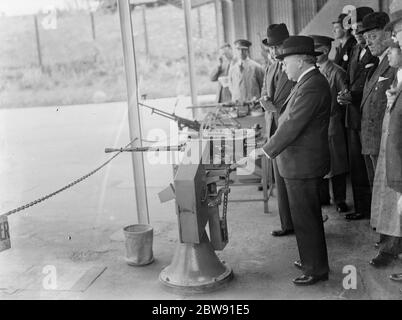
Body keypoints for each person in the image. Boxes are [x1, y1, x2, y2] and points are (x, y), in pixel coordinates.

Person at [248, 36, 331, 286]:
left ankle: (316, 268)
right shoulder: (304, 82)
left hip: (303, 163)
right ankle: (309, 259)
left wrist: (265, 150)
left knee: (306, 218)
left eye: (286, 62)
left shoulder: (312, 85)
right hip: (297, 161)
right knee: (302, 216)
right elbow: (285, 117)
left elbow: (293, 124)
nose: (283, 67)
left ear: (300, 60)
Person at [337, 6, 377, 221]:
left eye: (360, 31)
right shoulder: (354, 50)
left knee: (369, 165)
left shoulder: (376, 51)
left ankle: (373, 210)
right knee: (356, 166)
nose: (357, 35)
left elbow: (371, 84)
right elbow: (351, 79)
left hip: (367, 115)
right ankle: (362, 207)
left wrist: (351, 94)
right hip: (352, 114)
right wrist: (345, 93)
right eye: (353, 31)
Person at [260, 23, 295, 237]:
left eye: (277, 47)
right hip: (272, 129)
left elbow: (297, 102)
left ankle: (302, 222)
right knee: (280, 181)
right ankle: (287, 224)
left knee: (293, 181)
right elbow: (265, 91)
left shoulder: (294, 68)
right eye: (271, 48)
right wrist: (264, 100)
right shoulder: (270, 67)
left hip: (289, 130)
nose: (274, 52)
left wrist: (276, 109)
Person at [369, 38, 402, 268]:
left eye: (393, 49)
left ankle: (392, 247)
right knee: (391, 199)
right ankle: (391, 244)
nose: (388, 54)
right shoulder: (397, 76)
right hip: (391, 144)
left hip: (398, 147)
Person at [358, 12, 396, 199]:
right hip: (372, 140)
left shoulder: (395, 63)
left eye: (373, 36)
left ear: (389, 34)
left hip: (385, 142)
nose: (368, 42)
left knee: (387, 196)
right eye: (365, 38)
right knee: (378, 196)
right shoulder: (376, 63)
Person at [311, 35, 349, 213]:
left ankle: (340, 199)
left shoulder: (337, 72)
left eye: (315, 51)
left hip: (333, 123)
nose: (312, 55)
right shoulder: (313, 72)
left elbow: (345, 99)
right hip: (317, 125)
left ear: (325, 51)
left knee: (337, 163)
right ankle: (323, 196)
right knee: (320, 161)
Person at [228, 39, 265, 116]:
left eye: (243, 50)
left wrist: (257, 100)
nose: (241, 52)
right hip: (238, 108)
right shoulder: (232, 69)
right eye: (238, 49)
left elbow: (263, 87)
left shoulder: (256, 67)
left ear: (247, 51)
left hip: (254, 107)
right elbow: (231, 87)